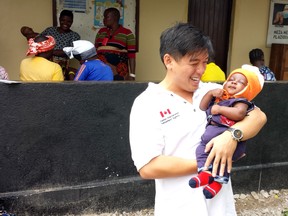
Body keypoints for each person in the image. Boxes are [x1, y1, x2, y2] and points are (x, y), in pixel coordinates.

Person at [129, 22, 267, 216]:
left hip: (221, 207)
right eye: (194, 63)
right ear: (169, 61)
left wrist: (230, 137)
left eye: (205, 62)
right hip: (179, 208)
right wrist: (212, 160)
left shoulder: (211, 91)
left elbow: (258, 116)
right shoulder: (147, 103)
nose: (201, 70)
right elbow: (148, 167)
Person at [189, 64, 264, 199]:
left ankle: (218, 182)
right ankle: (205, 173)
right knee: (200, 151)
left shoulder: (240, 101)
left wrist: (220, 110)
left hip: (228, 139)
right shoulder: (218, 97)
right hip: (208, 141)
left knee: (221, 160)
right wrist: (210, 93)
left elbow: (240, 114)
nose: (234, 82)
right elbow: (203, 106)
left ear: (247, 89)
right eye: (231, 79)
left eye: (241, 82)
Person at [21, 10, 80, 80]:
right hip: (43, 64)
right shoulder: (50, 30)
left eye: (69, 21)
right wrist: (29, 33)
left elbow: (71, 52)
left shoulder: (75, 36)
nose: (65, 23)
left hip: (62, 67)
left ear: (72, 22)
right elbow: (39, 39)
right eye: (63, 20)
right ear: (59, 19)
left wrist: (49, 50)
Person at [94, 7, 136, 81]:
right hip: (100, 72)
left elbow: (131, 56)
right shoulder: (101, 31)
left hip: (118, 72)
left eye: (106, 17)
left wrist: (132, 75)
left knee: (117, 91)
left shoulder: (127, 33)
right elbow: (95, 51)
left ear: (115, 17)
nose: (104, 19)